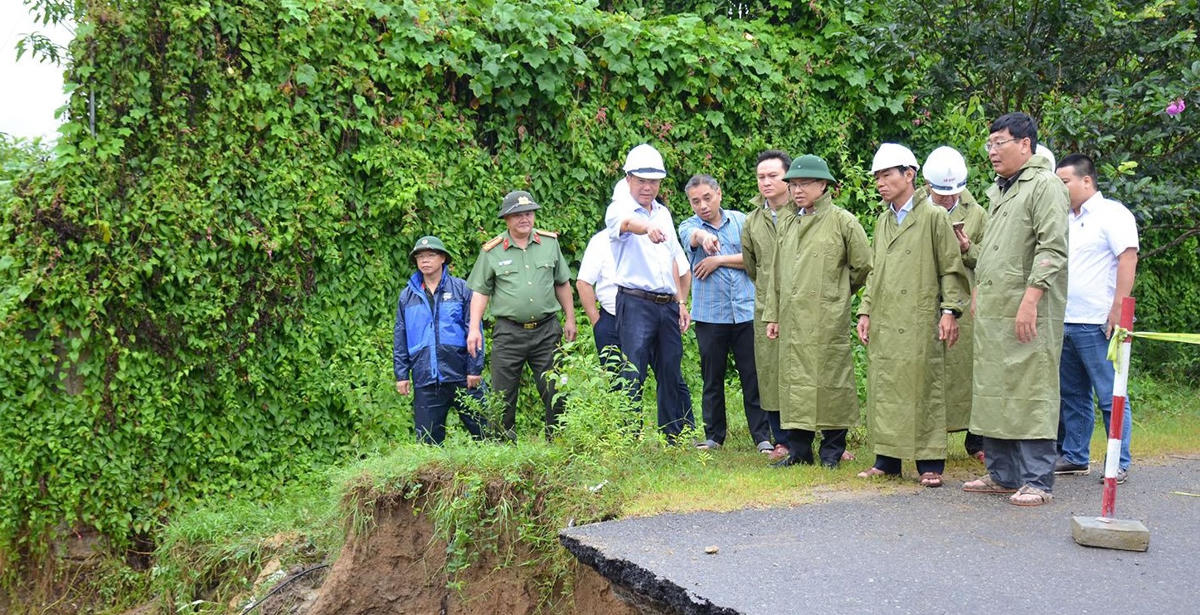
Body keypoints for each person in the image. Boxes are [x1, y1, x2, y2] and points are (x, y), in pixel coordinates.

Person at [962, 112, 1068, 507]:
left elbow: (1052, 248)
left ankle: (1038, 480)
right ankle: (1002, 474)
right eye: (989, 144)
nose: (992, 151)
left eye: (999, 142)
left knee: (1031, 388)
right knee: (994, 388)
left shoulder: (1045, 186)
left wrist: (1031, 299)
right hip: (995, 308)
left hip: (1027, 309)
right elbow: (994, 251)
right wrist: (978, 289)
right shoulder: (1002, 190)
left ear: (1025, 144)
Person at [855, 144, 969, 486]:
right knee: (886, 386)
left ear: (909, 174)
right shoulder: (882, 219)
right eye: (877, 177)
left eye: (887, 175)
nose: (880, 182)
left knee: (924, 385)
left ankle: (929, 463)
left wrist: (949, 311)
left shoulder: (934, 216)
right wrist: (865, 310)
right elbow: (875, 271)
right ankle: (886, 460)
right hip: (887, 318)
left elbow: (951, 268)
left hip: (920, 316)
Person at [764, 154, 871, 468]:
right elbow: (776, 270)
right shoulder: (788, 220)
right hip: (791, 317)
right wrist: (773, 314)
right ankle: (799, 452)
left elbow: (863, 265)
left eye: (805, 183)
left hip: (827, 319)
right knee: (794, 382)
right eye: (794, 184)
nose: (798, 190)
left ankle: (832, 452)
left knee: (831, 382)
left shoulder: (842, 221)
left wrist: (837, 294)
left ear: (823, 185)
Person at [1054, 153, 1139, 483]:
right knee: (1072, 396)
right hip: (1066, 319)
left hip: (1099, 322)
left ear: (1086, 180)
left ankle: (1118, 461)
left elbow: (1127, 258)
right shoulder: (1065, 218)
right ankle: (1075, 456)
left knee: (1110, 395)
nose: (1061, 189)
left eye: (1065, 182)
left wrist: (1118, 309)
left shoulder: (1112, 214)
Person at [466, 191, 577, 437]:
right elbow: (480, 292)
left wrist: (570, 318)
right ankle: (503, 451)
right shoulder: (492, 251)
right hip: (509, 333)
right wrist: (474, 328)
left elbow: (562, 283)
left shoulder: (550, 243)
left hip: (547, 330)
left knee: (555, 390)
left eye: (528, 213)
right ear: (506, 219)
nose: (524, 219)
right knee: (502, 395)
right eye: (517, 215)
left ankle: (557, 444)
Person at [605, 143, 695, 440]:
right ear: (628, 178)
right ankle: (628, 437)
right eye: (641, 180)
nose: (647, 187)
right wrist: (647, 229)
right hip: (635, 302)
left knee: (670, 369)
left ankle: (673, 435)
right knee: (633, 370)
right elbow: (628, 224)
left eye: (653, 181)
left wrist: (681, 302)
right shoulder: (618, 209)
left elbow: (672, 259)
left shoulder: (664, 213)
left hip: (667, 302)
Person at [677, 174, 772, 452]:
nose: (703, 205)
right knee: (712, 378)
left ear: (718, 193)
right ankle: (714, 436)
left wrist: (718, 260)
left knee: (753, 376)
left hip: (745, 311)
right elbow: (693, 237)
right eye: (696, 201)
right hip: (710, 316)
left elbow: (756, 260)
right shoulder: (689, 225)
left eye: (707, 198)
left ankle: (762, 436)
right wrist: (705, 238)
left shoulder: (743, 221)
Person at [577, 179, 692, 374]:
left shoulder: (660, 220)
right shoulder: (601, 240)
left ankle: (677, 406)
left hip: (654, 311)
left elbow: (679, 267)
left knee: (670, 375)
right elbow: (583, 283)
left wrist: (680, 303)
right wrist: (598, 322)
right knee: (623, 379)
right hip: (613, 317)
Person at [923, 146, 990, 462]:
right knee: (926, 372)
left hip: (964, 302)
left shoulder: (977, 213)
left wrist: (967, 247)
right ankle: (925, 440)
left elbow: (991, 260)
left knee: (969, 369)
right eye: (940, 195)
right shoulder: (915, 211)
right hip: (924, 300)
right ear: (927, 186)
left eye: (953, 194)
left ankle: (976, 440)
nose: (948, 200)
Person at [394, 236, 487, 444]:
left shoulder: (461, 289)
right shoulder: (407, 296)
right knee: (428, 443)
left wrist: (474, 369)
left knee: (486, 430)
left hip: (462, 374)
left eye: (430, 255)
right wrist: (401, 374)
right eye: (420, 256)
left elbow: (474, 329)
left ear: (443, 258)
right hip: (425, 377)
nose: (425, 260)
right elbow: (401, 336)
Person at [741, 150, 795, 460]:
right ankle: (782, 440)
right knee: (771, 371)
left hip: (801, 303)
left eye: (773, 176)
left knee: (807, 367)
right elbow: (752, 265)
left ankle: (825, 437)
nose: (766, 182)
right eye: (761, 177)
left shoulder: (802, 213)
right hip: (766, 307)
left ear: (788, 179)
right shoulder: (753, 220)